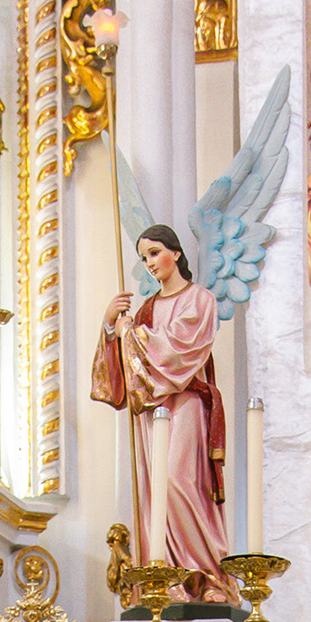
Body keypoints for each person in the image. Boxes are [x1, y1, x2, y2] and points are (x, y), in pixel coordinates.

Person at [91, 223, 231, 599]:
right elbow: (125, 369)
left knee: (179, 481)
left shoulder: (199, 299)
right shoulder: (146, 310)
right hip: (152, 411)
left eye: (154, 253)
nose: (150, 263)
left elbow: (182, 349)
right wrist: (110, 325)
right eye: (144, 258)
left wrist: (131, 335)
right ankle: (169, 579)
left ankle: (209, 576)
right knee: (156, 492)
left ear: (176, 253)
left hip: (186, 401)